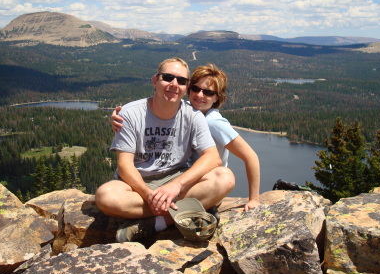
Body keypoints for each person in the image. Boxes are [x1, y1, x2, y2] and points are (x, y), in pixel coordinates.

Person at [96, 57, 235, 243]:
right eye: (168, 77)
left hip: (175, 180)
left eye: (182, 81)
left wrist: (176, 186)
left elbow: (212, 158)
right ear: (155, 81)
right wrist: (148, 195)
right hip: (136, 185)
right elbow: (124, 165)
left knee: (225, 178)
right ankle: (191, 208)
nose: (174, 84)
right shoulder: (130, 113)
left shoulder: (193, 116)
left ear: (186, 88)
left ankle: (158, 222)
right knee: (106, 196)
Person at [112, 63, 261, 211]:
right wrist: (120, 116)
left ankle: (162, 220)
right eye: (195, 89)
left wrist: (254, 199)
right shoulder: (189, 110)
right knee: (108, 195)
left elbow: (250, 157)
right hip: (182, 177)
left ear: (217, 98)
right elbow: (157, 107)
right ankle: (174, 211)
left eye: (208, 93)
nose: (200, 95)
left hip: (200, 180)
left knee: (225, 178)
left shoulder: (213, 122)